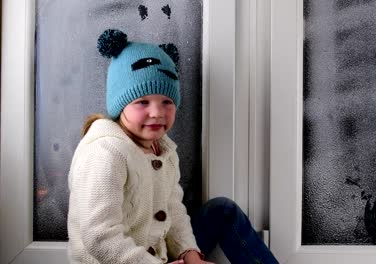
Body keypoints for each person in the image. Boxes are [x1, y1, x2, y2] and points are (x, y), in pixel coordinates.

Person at [67, 29, 278, 264]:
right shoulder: (105, 153)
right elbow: (99, 237)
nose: (157, 113)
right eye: (142, 102)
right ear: (121, 105)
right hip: (122, 260)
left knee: (222, 210)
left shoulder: (163, 150)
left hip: (157, 251)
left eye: (167, 101)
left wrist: (190, 254)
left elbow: (173, 210)